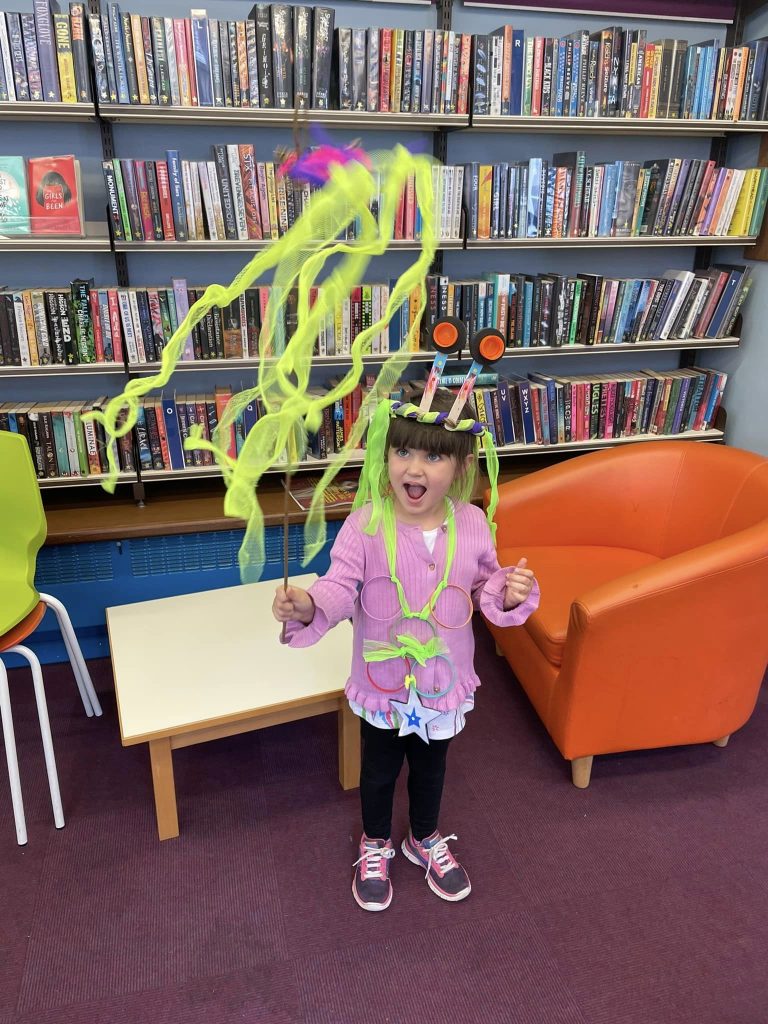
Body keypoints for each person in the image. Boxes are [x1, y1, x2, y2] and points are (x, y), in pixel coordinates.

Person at [272, 387, 539, 911]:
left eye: (433, 455)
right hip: (382, 685)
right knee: (378, 770)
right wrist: (305, 604)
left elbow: (484, 589)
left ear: (462, 465)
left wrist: (508, 590)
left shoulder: (473, 523)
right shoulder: (365, 523)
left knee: (432, 767)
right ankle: (375, 843)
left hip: (441, 684)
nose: (413, 468)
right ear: (385, 456)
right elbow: (339, 585)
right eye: (403, 452)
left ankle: (423, 836)